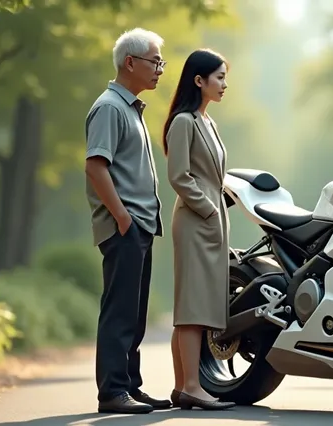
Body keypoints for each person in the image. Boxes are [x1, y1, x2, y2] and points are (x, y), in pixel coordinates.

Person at [84, 27, 172, 414]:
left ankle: (130, 386)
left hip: (138, 224)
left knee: (134, 314)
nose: (160, 70)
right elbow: (95, 166)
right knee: (120, 311)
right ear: (130, 63)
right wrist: (122, 218)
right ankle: (112, 392)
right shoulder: (109, 107)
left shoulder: (130, 107)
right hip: (126, 225)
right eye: (155, 62)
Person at [162, 48, 236, 411]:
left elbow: (212, 175)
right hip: (194, 220)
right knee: (192, 307)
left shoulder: (209, 123)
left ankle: (182, 387)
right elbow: (179, 176)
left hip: (210, 219)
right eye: (219, 77)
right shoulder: (184, 122)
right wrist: (208, 209)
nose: (224, 84)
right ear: (199, 80)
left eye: (225, 77)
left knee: (198, 303)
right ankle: (192, 385)